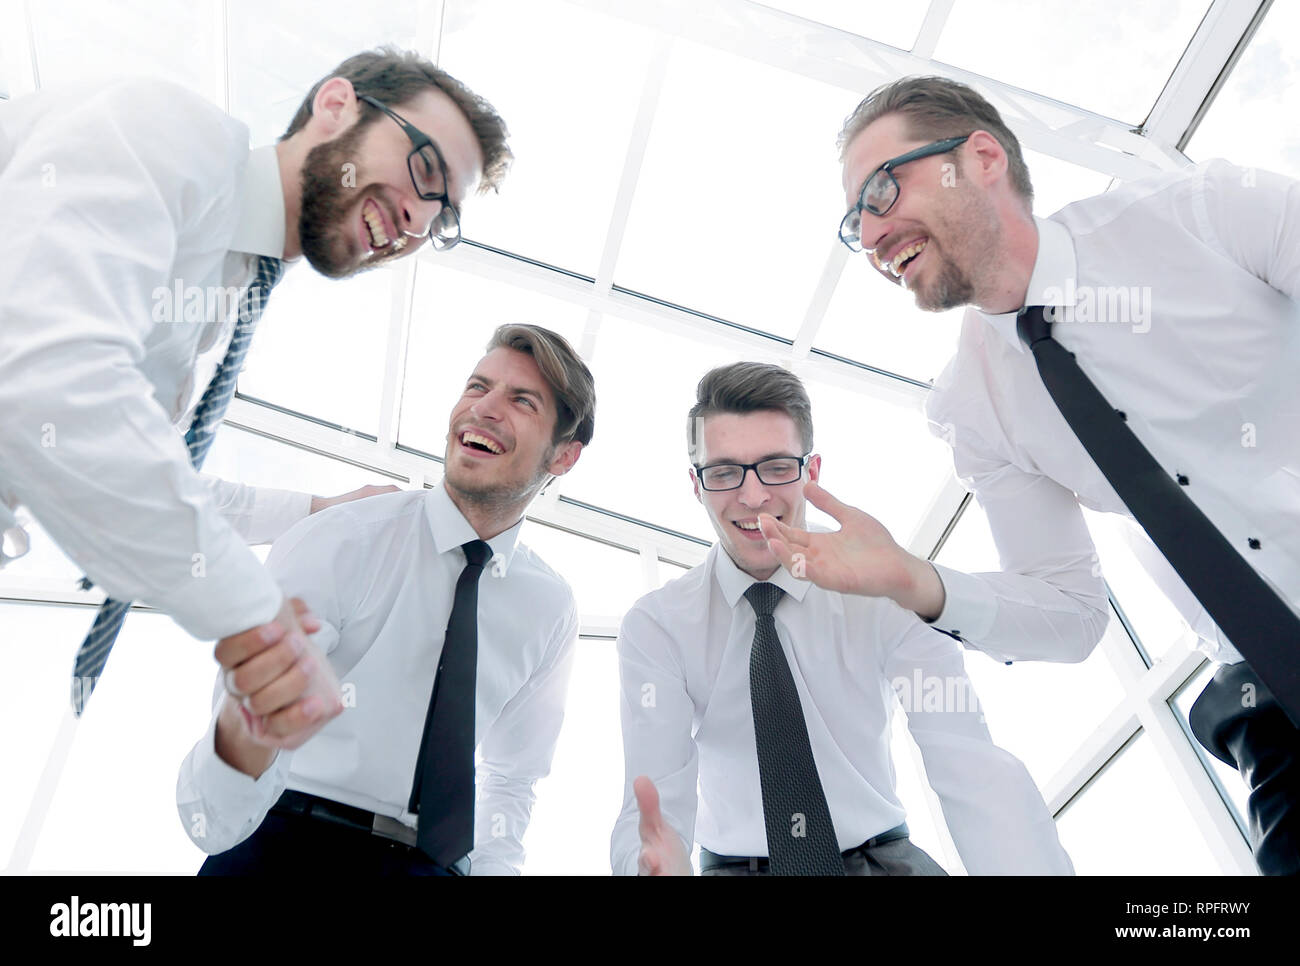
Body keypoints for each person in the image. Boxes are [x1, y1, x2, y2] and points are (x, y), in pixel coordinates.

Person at [762, 74, 1300, 875]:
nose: (871, 234)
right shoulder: (975, 404)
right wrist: (914, 580)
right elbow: (1072, 611)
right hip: (1272, 708)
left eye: (883, 188)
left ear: (980, 157)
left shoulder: (1205, 212)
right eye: (854, 222)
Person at [0, 46, 511, 727]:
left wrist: (312, 511)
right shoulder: (172, 134)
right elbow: (49, 384)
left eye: (442, 216)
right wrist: (255, 621)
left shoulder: (222, 287)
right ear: (335, 106)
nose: (417, 222)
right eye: (424, 169)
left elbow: (140, 465)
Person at [611, 361, 1071, 876]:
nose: (753, 495)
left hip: (884, 863)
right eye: (723, 472)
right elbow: (655, 796)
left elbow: (968, 760)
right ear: (697, 484)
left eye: (777, 467)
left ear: (811, 472)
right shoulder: (658, 626)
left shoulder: (884, 589)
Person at [177, 324, 595, 876]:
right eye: (477, 387)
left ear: (564, 456)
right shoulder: (343, 536)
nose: (484, 409)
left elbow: (513, 776)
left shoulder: (550, 606)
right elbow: (244, 734)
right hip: (287, 847)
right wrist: (244, 739)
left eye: (521, 401)